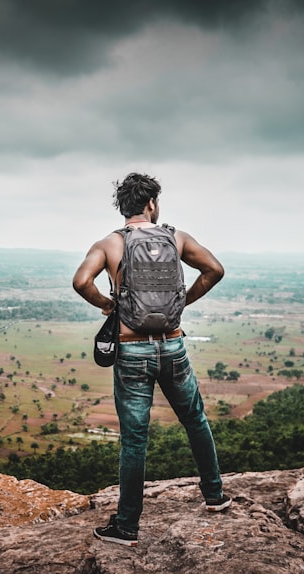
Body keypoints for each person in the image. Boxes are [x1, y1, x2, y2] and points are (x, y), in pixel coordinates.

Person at [72, 172, 231, 547]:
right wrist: (182, 302)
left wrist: (108, 304)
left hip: (132, 350)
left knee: (134, 439)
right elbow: (215, 270)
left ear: (122, 207)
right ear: (152, 204)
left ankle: (127, 527)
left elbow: (82, 282)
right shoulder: (177, 237)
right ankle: (215, 496)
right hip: (173, 345)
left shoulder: (110, 244)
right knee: (195, 420)